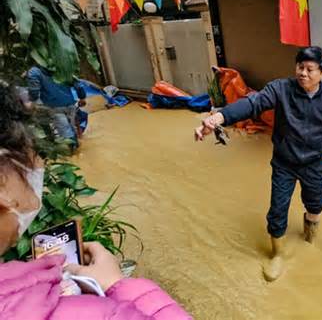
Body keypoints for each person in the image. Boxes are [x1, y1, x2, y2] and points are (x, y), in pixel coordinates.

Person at [0, 82, 192, 320]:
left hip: (68, 107)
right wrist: (116, 285)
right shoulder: (84, 313)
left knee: (72, 131)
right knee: (70, 132)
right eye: (33, 154)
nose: (39, 164)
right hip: (63, 108)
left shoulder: (23, 291)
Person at [194, 46, 322, 282]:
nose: (303, 73)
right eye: (300, 67)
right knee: (278, 209)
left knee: (315, 204)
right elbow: (253, 103)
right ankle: (277, 255)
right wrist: (218, 117)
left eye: (310, 69)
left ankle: (310, 237)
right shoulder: (281, 89)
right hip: (284, 162)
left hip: (314, 162)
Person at [26, 66, 86, 147]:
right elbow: (78, 84)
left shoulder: (35, 71)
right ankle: (77, 149)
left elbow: (34, 92)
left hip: (54, 107)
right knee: (71, 129)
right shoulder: (61, 64)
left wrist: (31, 102)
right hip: (70, 104)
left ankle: (75, 154)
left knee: (67, 134)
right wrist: (82, 97)